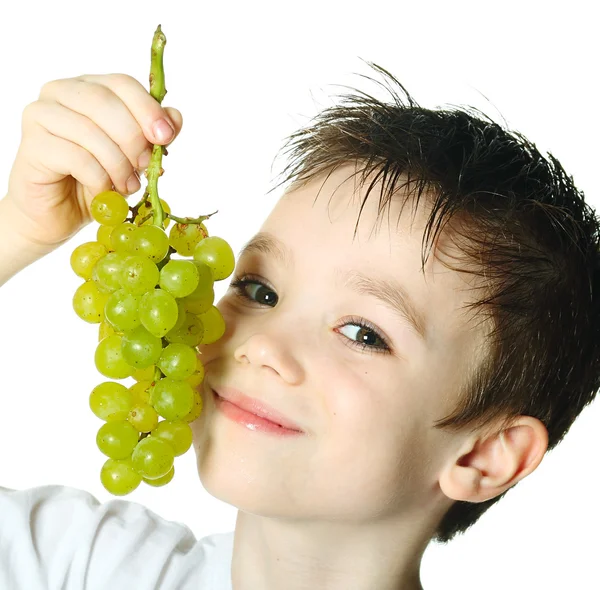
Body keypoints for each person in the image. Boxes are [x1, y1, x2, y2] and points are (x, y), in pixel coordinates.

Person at [1, 65, 599, 590]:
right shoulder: (82, 564)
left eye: (363, 333)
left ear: (486, 456)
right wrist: (18, 231)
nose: (261, 345)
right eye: (259, 291)